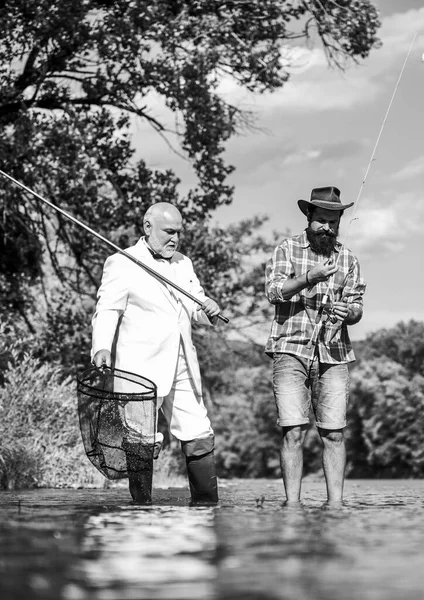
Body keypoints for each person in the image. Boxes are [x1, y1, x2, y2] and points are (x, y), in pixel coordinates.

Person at [91, 202, 220, 505]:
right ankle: (141, 509)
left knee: (199, 432)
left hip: (183, 362)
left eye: (179, 233)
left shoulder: (183, 263)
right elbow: (107, 309)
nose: (175, 239)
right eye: (169, 232)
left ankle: (206, 508)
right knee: (140, 440)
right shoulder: (122, 262)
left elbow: (194, 302)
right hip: (140, 367)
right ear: (148, 228)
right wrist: (101, 346)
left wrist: (208, 309)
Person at [265, 186, 366, 505]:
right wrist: (309, 277)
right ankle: (292, 506)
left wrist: (347, 312)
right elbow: (274, 292)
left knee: (334, 433)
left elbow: (357, 307)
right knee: (292, 432)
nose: (328, 228)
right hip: (290, 349)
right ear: (308, 217)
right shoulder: (286, 248)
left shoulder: (348, 258)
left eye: (333, 223)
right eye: (322, 221)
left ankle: (335, 505)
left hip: (334, 355)